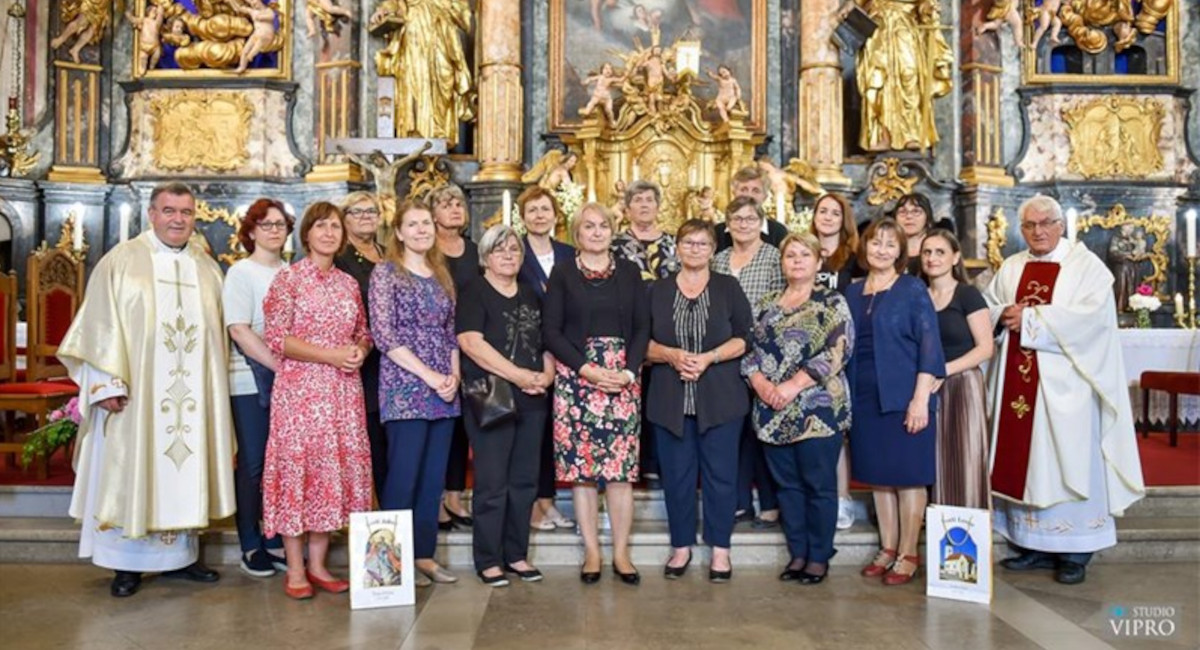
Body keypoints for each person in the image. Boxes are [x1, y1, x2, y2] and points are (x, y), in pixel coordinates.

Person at [58, 182, 235, 598]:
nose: (178, 219)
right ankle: (126, 564)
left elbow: (217, 341)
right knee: (133, 468)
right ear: (151, 214)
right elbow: (98, 325)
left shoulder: (207, 268)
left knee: (182, 466)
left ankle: (181, 558)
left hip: (190, 402)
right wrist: (104, 385)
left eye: (186, 212)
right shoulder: (122, 260)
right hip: (135, 397)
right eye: (169, 210)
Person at [984, 195, 1145, 585]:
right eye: (1029, 226)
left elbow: (1093, 321)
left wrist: (1032, 318)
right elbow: (989, 306)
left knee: (1068, 461)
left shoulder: (1086, 267)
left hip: (1068, 388)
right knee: (1031, 464)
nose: (1038, 232)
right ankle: (1033, 544)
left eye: (1045, 223)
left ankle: (1076, 549)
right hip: (1018, 389)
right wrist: (1002, 315)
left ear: (1060, 225)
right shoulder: (1011, 266)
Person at [261, 202, 373, 600]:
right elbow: (278, 340)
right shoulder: (287, 280)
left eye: (335, 227)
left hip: (342, 393)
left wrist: (359, 348)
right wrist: (330, 355)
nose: (329, 233)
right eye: (321, 226)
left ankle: (319, 564)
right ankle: (295, 570)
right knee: (298, 475)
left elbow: (363, 330)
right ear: (306, 234)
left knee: (329, 476)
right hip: (301, 394)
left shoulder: (347, 283)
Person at [543, 203, 650, 585]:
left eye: (603, 225)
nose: (597, 231)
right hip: (577, 378)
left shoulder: (630, 273)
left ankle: (621, 552)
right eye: (588, 226)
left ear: (613, 230)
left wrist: (625, 371)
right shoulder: (563, 273)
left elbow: (642, 327)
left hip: (622, 379)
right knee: (584, 474)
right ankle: (592, 550)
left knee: (620, 474)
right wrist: (586, 369)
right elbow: (551, 331)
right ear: (577, 232)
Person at [743, 233, 854, 585]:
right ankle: (799, 554)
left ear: (819, 262)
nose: (797, 260)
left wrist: (792, 386)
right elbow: (749, 350)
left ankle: (819, 556)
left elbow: (839, 348)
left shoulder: (831, 301)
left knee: (818, 485)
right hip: (772, 410)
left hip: (817, 409)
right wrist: (761, 384)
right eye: (790, 255)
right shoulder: (766, 302)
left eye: (805, 255)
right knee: (787, 487)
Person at [647, 220, 752, 582]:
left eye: (702, 243)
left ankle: (720, 550)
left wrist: (709, 358)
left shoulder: (728, 287)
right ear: (676, 247)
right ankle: (681, 547)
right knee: (677, 477)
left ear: (712, 250)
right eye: (688, 242)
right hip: (669, 398)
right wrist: (671, 354)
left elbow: (744, 338)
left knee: (721, 477)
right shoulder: (657, 291)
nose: (695, 248)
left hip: (721, 397)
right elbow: (640, 343)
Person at [844, 218, 944, 586]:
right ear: (864, 247)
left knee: (907, 477)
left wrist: (920, 399)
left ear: (901, 252)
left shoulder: (912, 288)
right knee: (880, 480)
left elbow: (930, 346)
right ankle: (887, 548)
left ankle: (908, 552)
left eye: (890, 244)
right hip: (864, 395)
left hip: (905, 396)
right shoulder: (852, 293)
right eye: (875, 242)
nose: (881, 250)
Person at [457, 225, 556, 587]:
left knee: (524, 481)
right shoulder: (474, 291)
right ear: (486, 256)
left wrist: (545, 375)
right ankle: (488, 559)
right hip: (492, 397)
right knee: (493, 482)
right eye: (500, 250)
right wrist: (519, 376)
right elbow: (471, 343)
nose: (509, 255)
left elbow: (547, 339)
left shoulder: (531, 292)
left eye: (514, 249)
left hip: (533, 397)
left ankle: (516, 554)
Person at [370, 200, 461, 586]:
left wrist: (452, 376)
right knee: (403, 476)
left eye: (427, 222)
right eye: (414, 224)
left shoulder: (441, 273)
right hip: (405, 385)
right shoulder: (385, 272)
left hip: (443, 389)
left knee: (432, 479)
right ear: (400, 231)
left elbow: (451, 331)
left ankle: (423, 555)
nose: (422, 229)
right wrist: (428, 374)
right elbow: (383, 334)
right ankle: (388, 567)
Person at [223, 198, 292, 578]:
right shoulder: (241, 273)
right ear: (250, 232)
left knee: (279, 462)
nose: (273, 229)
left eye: (280, 223)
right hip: (249, 378)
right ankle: (250, 542)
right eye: (265, 224)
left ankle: (274, 535)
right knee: (254, 464)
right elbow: (239, 329)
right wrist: (281, 367)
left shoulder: (292, 272)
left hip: (286, 380)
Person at [711, 197, 783, 529]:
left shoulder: (773, 257)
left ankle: (769, 503)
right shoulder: (719, 259)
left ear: (760, 222)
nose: (743, 224)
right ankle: (740, 502)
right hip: (726, 355)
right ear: (727, 224)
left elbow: (778, 305)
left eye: (750, 219)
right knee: (733, 434)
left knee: (762, 431)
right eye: (737, 219)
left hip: (763, 355)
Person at [515, 186, 577, 532]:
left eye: (545, 209)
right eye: (532, 210)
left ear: (556, 215)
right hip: (529, 354)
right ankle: (535, 506)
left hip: (567, 352)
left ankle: (550, 501)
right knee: (534, 433)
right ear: (522, 217)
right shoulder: (514, 252)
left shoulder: (569, 253)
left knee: (558, 430)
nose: (539, 215)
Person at [920, 229, 993, 509]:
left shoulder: (967, 294)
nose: (932, 258)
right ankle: (936, 521)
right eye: (927, 252)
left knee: (965, 457)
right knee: (933, 457)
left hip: (962, 383)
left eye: (940, 252)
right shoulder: (917, 295)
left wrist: (943, 370)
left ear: (955, 257)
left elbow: (985, 348)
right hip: (925, 386)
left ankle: (968, 528)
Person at [611, 180, 678, 484]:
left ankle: (656, 461)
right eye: (637, 200)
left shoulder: (674, 243)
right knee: (630, 396)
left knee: (661, 395)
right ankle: (629, 460)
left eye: (649, 200)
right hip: (627, 329)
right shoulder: (613, 244)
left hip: (668, 330)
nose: (643, 205)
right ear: (627, 208)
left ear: (658, 205)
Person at [809, 193, 861, 529]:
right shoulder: (801, 250)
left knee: (837, 429)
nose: (828, 217)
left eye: (835, 213)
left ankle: (843, 498)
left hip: (840, 348)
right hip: (805, 348)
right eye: (822, 211)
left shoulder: (853, 258)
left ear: (844, 220)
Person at [334, 191, 389, 502]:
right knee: (369, 438)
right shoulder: (340, 258)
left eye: (372, 211)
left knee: (390, 440)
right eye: (357, 212)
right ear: (345, 218)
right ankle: (369, 510)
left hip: (392, 360)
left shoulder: (389, 252)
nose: (367, 216)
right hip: (360, 358)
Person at [430, 183, 477, 530]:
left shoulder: (475, 250)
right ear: (433, 214)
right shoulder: (427, 250)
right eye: (447, 204)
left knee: (464, 425)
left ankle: (456, 496)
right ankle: (436, 500)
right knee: (442, 423)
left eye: (459, 204)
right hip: (437, 347)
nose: (455, 209)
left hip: (474, 346)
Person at [715, 166, 789, 251]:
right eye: (744, 189)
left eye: (756, 191)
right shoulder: (718, 232)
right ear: (734, 193)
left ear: (765, 196)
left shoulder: (778, 232)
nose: (749, 196)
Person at [893, 192, 935, 276]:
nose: (909, 216)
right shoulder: (889, 249)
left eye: (916, 211)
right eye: (902, 212)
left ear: (927, 217)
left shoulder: (937, 246)